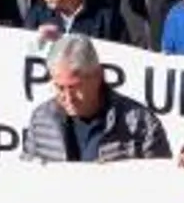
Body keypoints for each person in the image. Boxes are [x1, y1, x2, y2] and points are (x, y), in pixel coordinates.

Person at [21, 35, 171, 164]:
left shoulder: (139, 123)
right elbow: (28, 178)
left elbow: (160, 182)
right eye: (60, 88)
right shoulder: (41, 120)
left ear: (98, 76)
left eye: (75, 87)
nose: (68, 98)